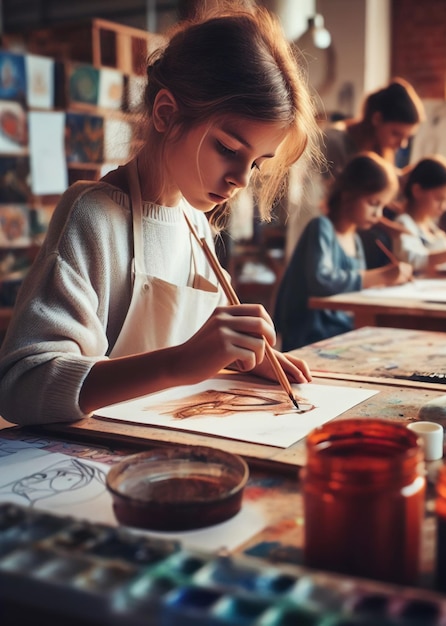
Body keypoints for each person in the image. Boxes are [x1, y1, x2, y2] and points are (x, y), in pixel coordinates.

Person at [0, 4, 322, 426]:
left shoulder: (196, 222)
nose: (241, 179)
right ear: (167, 114)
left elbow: (194, 345)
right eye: (227, 149)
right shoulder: (93, 216)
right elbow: (21, 387)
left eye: (257, 163)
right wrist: (178, 364)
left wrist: (237, 355)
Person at [274, 152, 413, 352]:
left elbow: (356, 291)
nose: (378, 214)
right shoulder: (321, 227)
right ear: (349, 195)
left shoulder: (355, 238)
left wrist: (383, 283)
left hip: (340, 328)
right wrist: (381, 275)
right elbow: (321, 281)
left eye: (382, 206)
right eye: (373, 204)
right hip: (311, 334)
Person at [285, 77, 425, 262]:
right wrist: (389, 227)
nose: (402, 144)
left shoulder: (377, 152)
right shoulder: (333, 142)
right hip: (321, 228)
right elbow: (337, 201)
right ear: (377, 118)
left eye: (408, 137)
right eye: (396, 134)